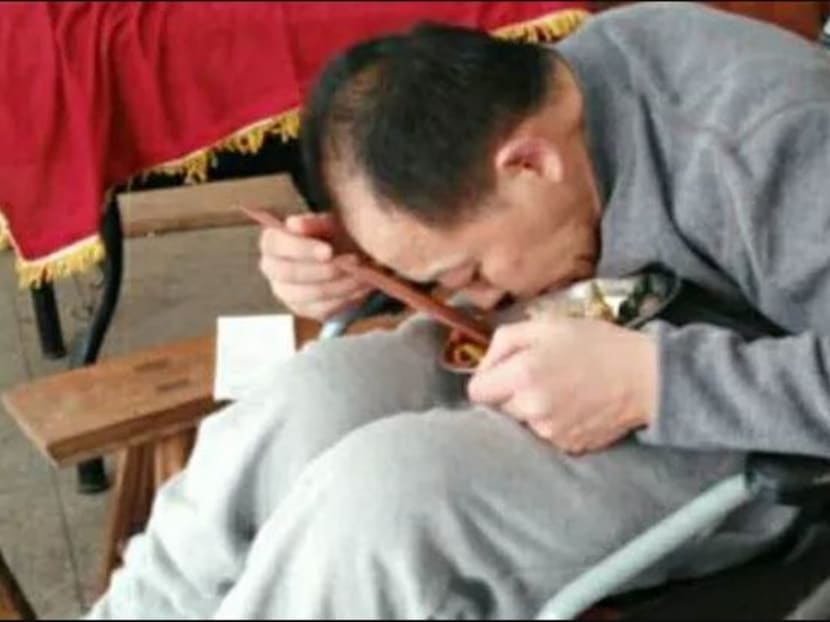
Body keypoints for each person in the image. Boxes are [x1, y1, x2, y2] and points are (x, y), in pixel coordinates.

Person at [85, 2, 830, 618]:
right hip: (590, 329)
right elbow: (478, 231)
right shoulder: (549, 95)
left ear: (530, 163)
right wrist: (366, 267)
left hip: (743, 422)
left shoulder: (766, 140)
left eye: (465, 272)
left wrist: (653, 383)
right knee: (305, 400)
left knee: (385, 504)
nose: (467, 294)